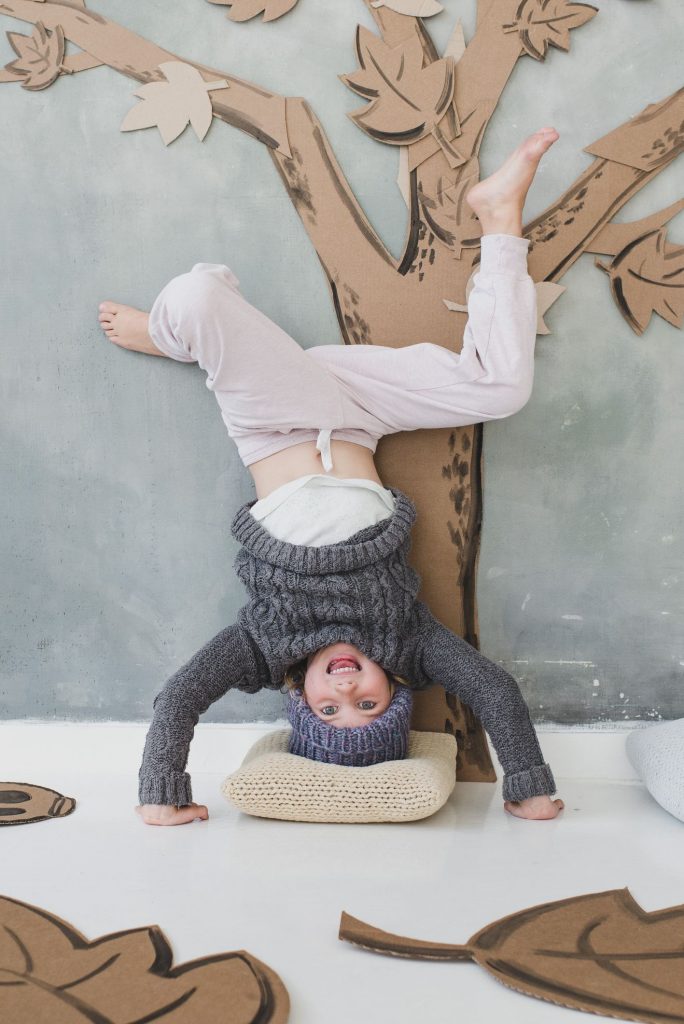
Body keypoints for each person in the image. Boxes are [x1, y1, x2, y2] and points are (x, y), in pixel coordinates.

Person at [98, 128, 565, 826]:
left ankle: (180, 335)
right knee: (500, 389)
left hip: (275, 419)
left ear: (298, 698)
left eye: (328, 708)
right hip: (362, 414)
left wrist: (160, 794)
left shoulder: (263, 644)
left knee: (195, 295)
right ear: (395, 686)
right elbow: (492, 690)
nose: (346, 689)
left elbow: (179, 698)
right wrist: (527, 786)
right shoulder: (411, 641)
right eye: (368, 703)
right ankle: (498, 218)